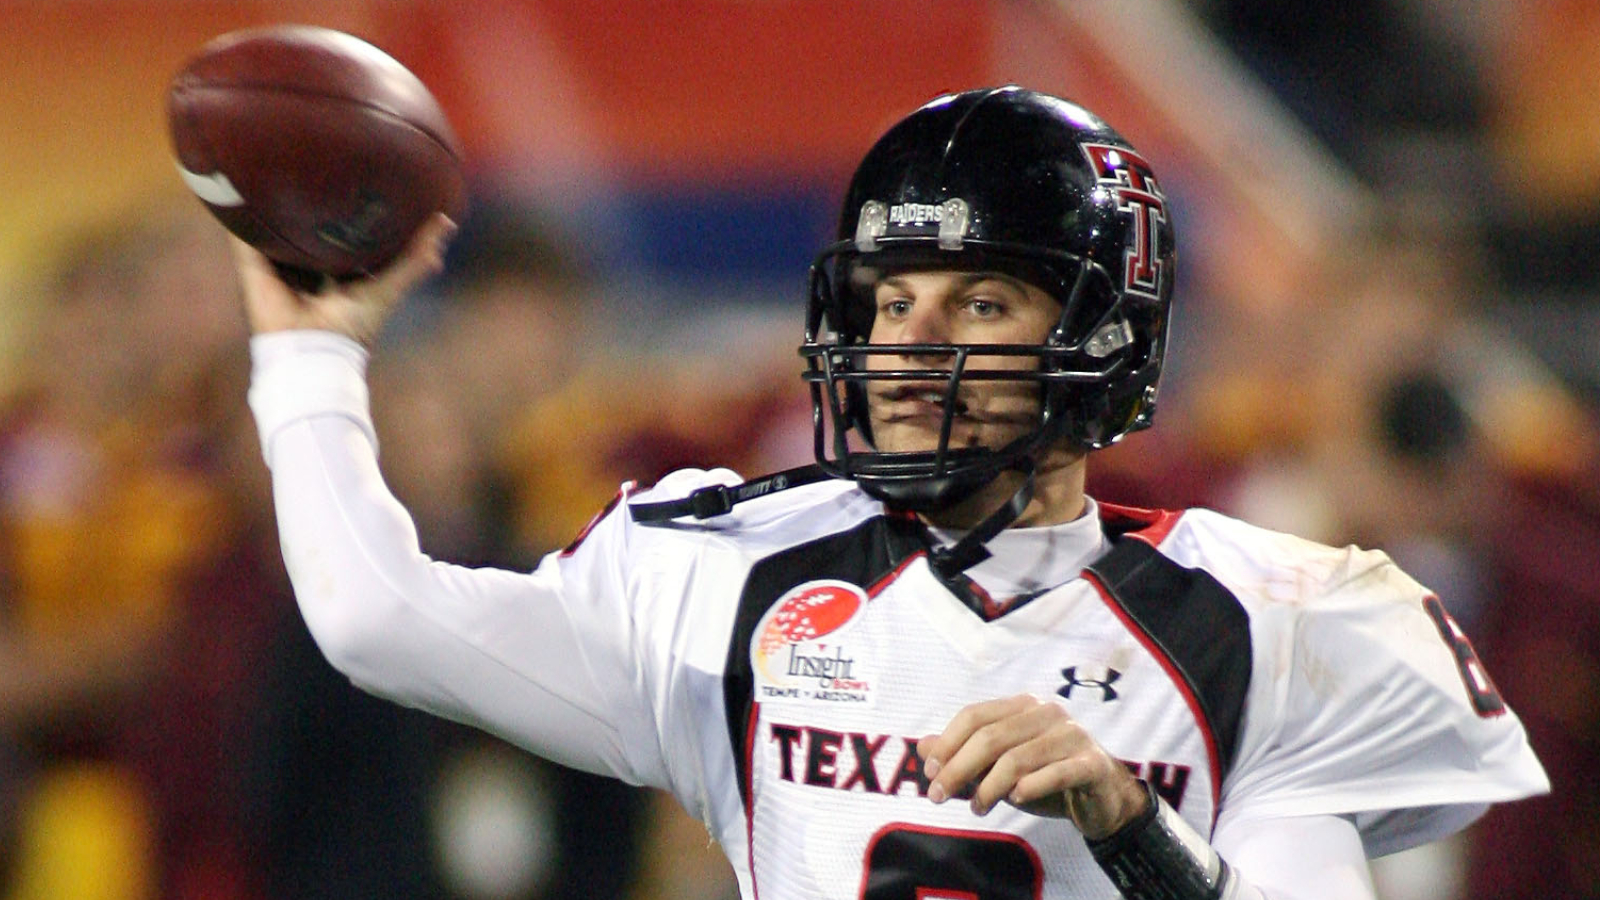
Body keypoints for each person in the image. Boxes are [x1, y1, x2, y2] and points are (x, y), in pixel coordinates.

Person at [228, 86, 1548, 899]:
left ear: (1099, 337)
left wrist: (1126, 819)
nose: (912, 347)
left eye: (978, 301)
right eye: (889, 302)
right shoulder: (734, 575)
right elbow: (376, 621)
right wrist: (308, 353)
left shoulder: (1269, 624)